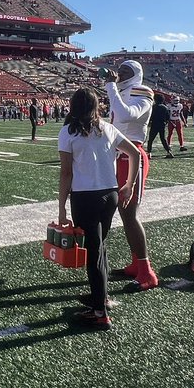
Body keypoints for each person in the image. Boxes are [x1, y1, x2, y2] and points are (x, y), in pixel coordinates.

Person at [58, 87, 141, 329]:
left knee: (93, 253)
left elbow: (66, 173)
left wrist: (61, 207)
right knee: (100, 247)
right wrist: (128, 185)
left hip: (85, 197)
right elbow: (135, 153)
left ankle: (99, 312)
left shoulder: (68, 131)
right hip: (110, 194)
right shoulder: (107, 128)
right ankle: (100, 296)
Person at [102, 62, 158, 290]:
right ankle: (137, 263)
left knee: (130, 213)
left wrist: (110, 86)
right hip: (116, 155)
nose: (120, 73)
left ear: (136, 75)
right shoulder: (122, 91)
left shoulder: (141, 90)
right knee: (123, 215)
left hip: (131, 155)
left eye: (126, 71)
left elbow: (126, 116)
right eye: (120, 70)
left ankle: (147, 273)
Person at [145, 92, 173, 158]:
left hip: (154, 124)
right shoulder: (165, 108)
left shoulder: (153, 107)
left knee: (151, 139)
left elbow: (150, 116)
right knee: (163, 139)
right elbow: (168, 118)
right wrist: (165, 122)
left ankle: (149, 153)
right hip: (162, 125)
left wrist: (149, 122)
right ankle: (169, 152)